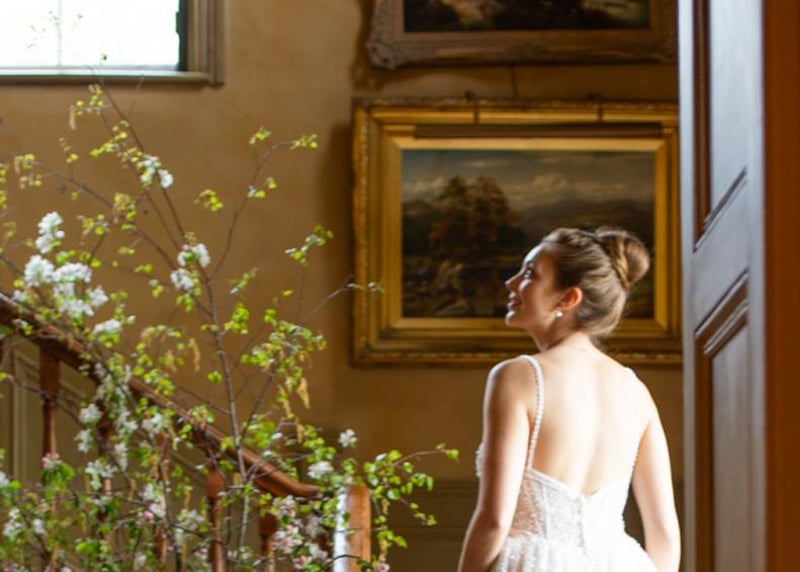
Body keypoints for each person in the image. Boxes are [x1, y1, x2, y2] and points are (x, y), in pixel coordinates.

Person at [458, 227, 680, 572]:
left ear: (568, 298)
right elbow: (664, 533)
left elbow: (495, 520)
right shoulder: (636, 391)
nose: (511, 283)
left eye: (529, 274)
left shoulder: (518, 376)